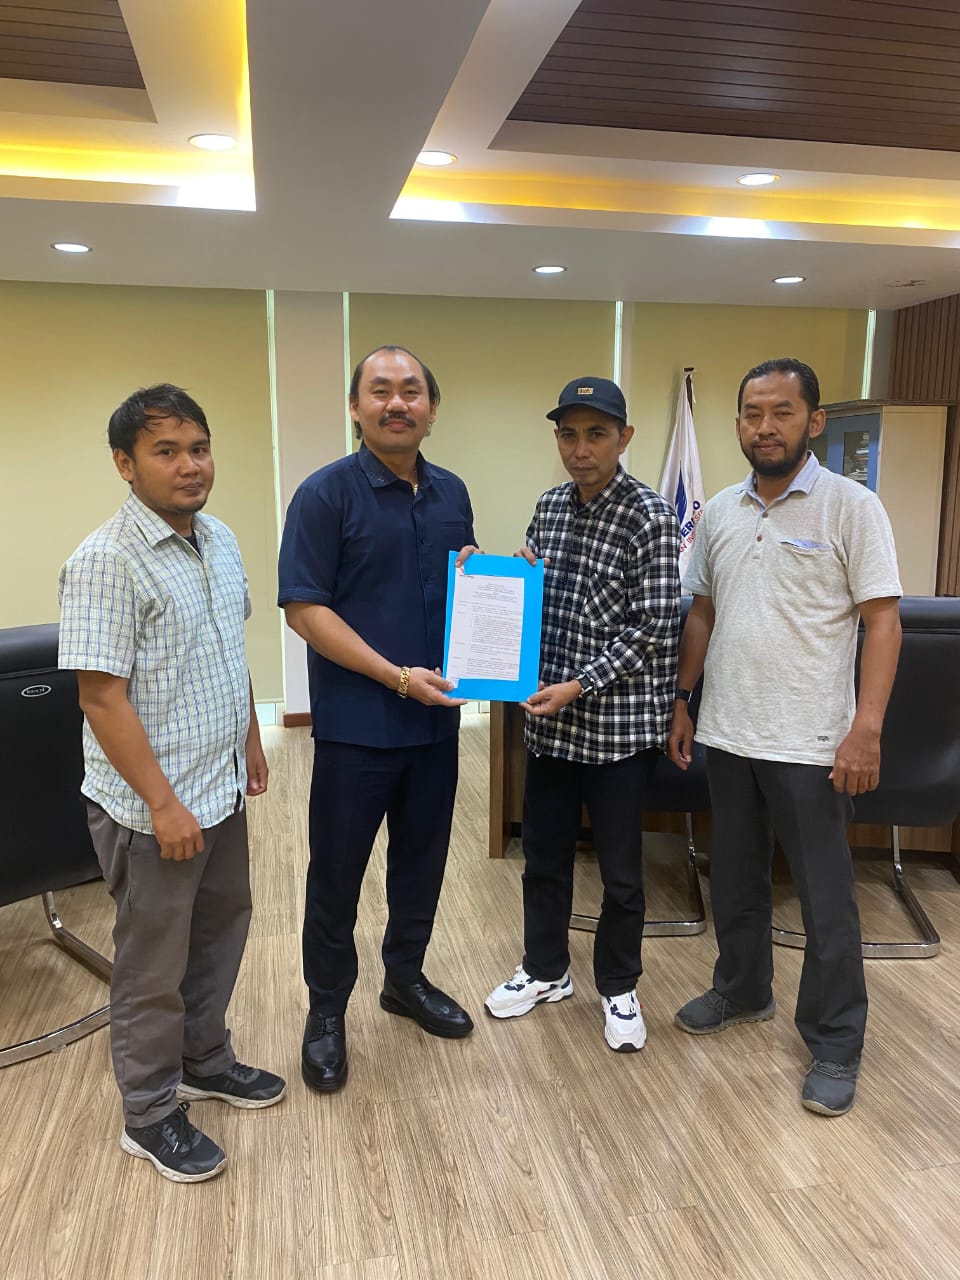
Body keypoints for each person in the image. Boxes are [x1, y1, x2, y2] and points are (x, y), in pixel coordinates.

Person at [58, 384, 285, 1185]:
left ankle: (204, 1060)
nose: (190, 465)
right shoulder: (106, 561)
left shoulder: (218, 538)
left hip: (217, 788)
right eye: (166, 451)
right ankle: (150, 1113)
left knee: (221, 932)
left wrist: (249, 735)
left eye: (199, 448)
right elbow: (101, 698)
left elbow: (226, 650)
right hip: (153, 808)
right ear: (125, 464)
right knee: (153, 964)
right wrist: (161, 802)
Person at [668, 357, 902, 1117]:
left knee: (826, 900)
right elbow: (702, 611)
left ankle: (835, 1041)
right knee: (735, 880)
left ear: (814, 421)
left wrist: (866, 729)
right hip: (730, 732)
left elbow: (883, 622)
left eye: (781, 412)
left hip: (811, 742)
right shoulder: (721, 512)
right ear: (737, 423)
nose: (764, 427)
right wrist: (684, 700)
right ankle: (742, 990)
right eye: (752, 413)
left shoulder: (851, 507)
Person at [278, 345, 478, 1094]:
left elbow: (457, 586)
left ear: (432, 408)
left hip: (435, 727)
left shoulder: (451, 492)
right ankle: (327, 1010)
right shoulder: (324, 494)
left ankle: (405, 979)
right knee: (337, 875)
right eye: (381, 391)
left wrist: (497, 582)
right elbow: (305, 609)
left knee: (421, 864)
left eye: (412, 391)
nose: (398, 403)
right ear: (356, 407)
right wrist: (395, 677)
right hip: (358, 727)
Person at [484, 376, 680, 1051]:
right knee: (543, 858)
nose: (580, 448)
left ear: (624, 439)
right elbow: (535, 600)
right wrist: (499, 581)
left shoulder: (650, 515)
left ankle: (620, 986)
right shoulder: (549, 507)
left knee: (621, 873)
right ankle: (546, 971)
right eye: (568, 434)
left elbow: (653, 626)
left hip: (617, 732)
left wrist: (578, 684)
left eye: (596, 433)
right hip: (553, 727)